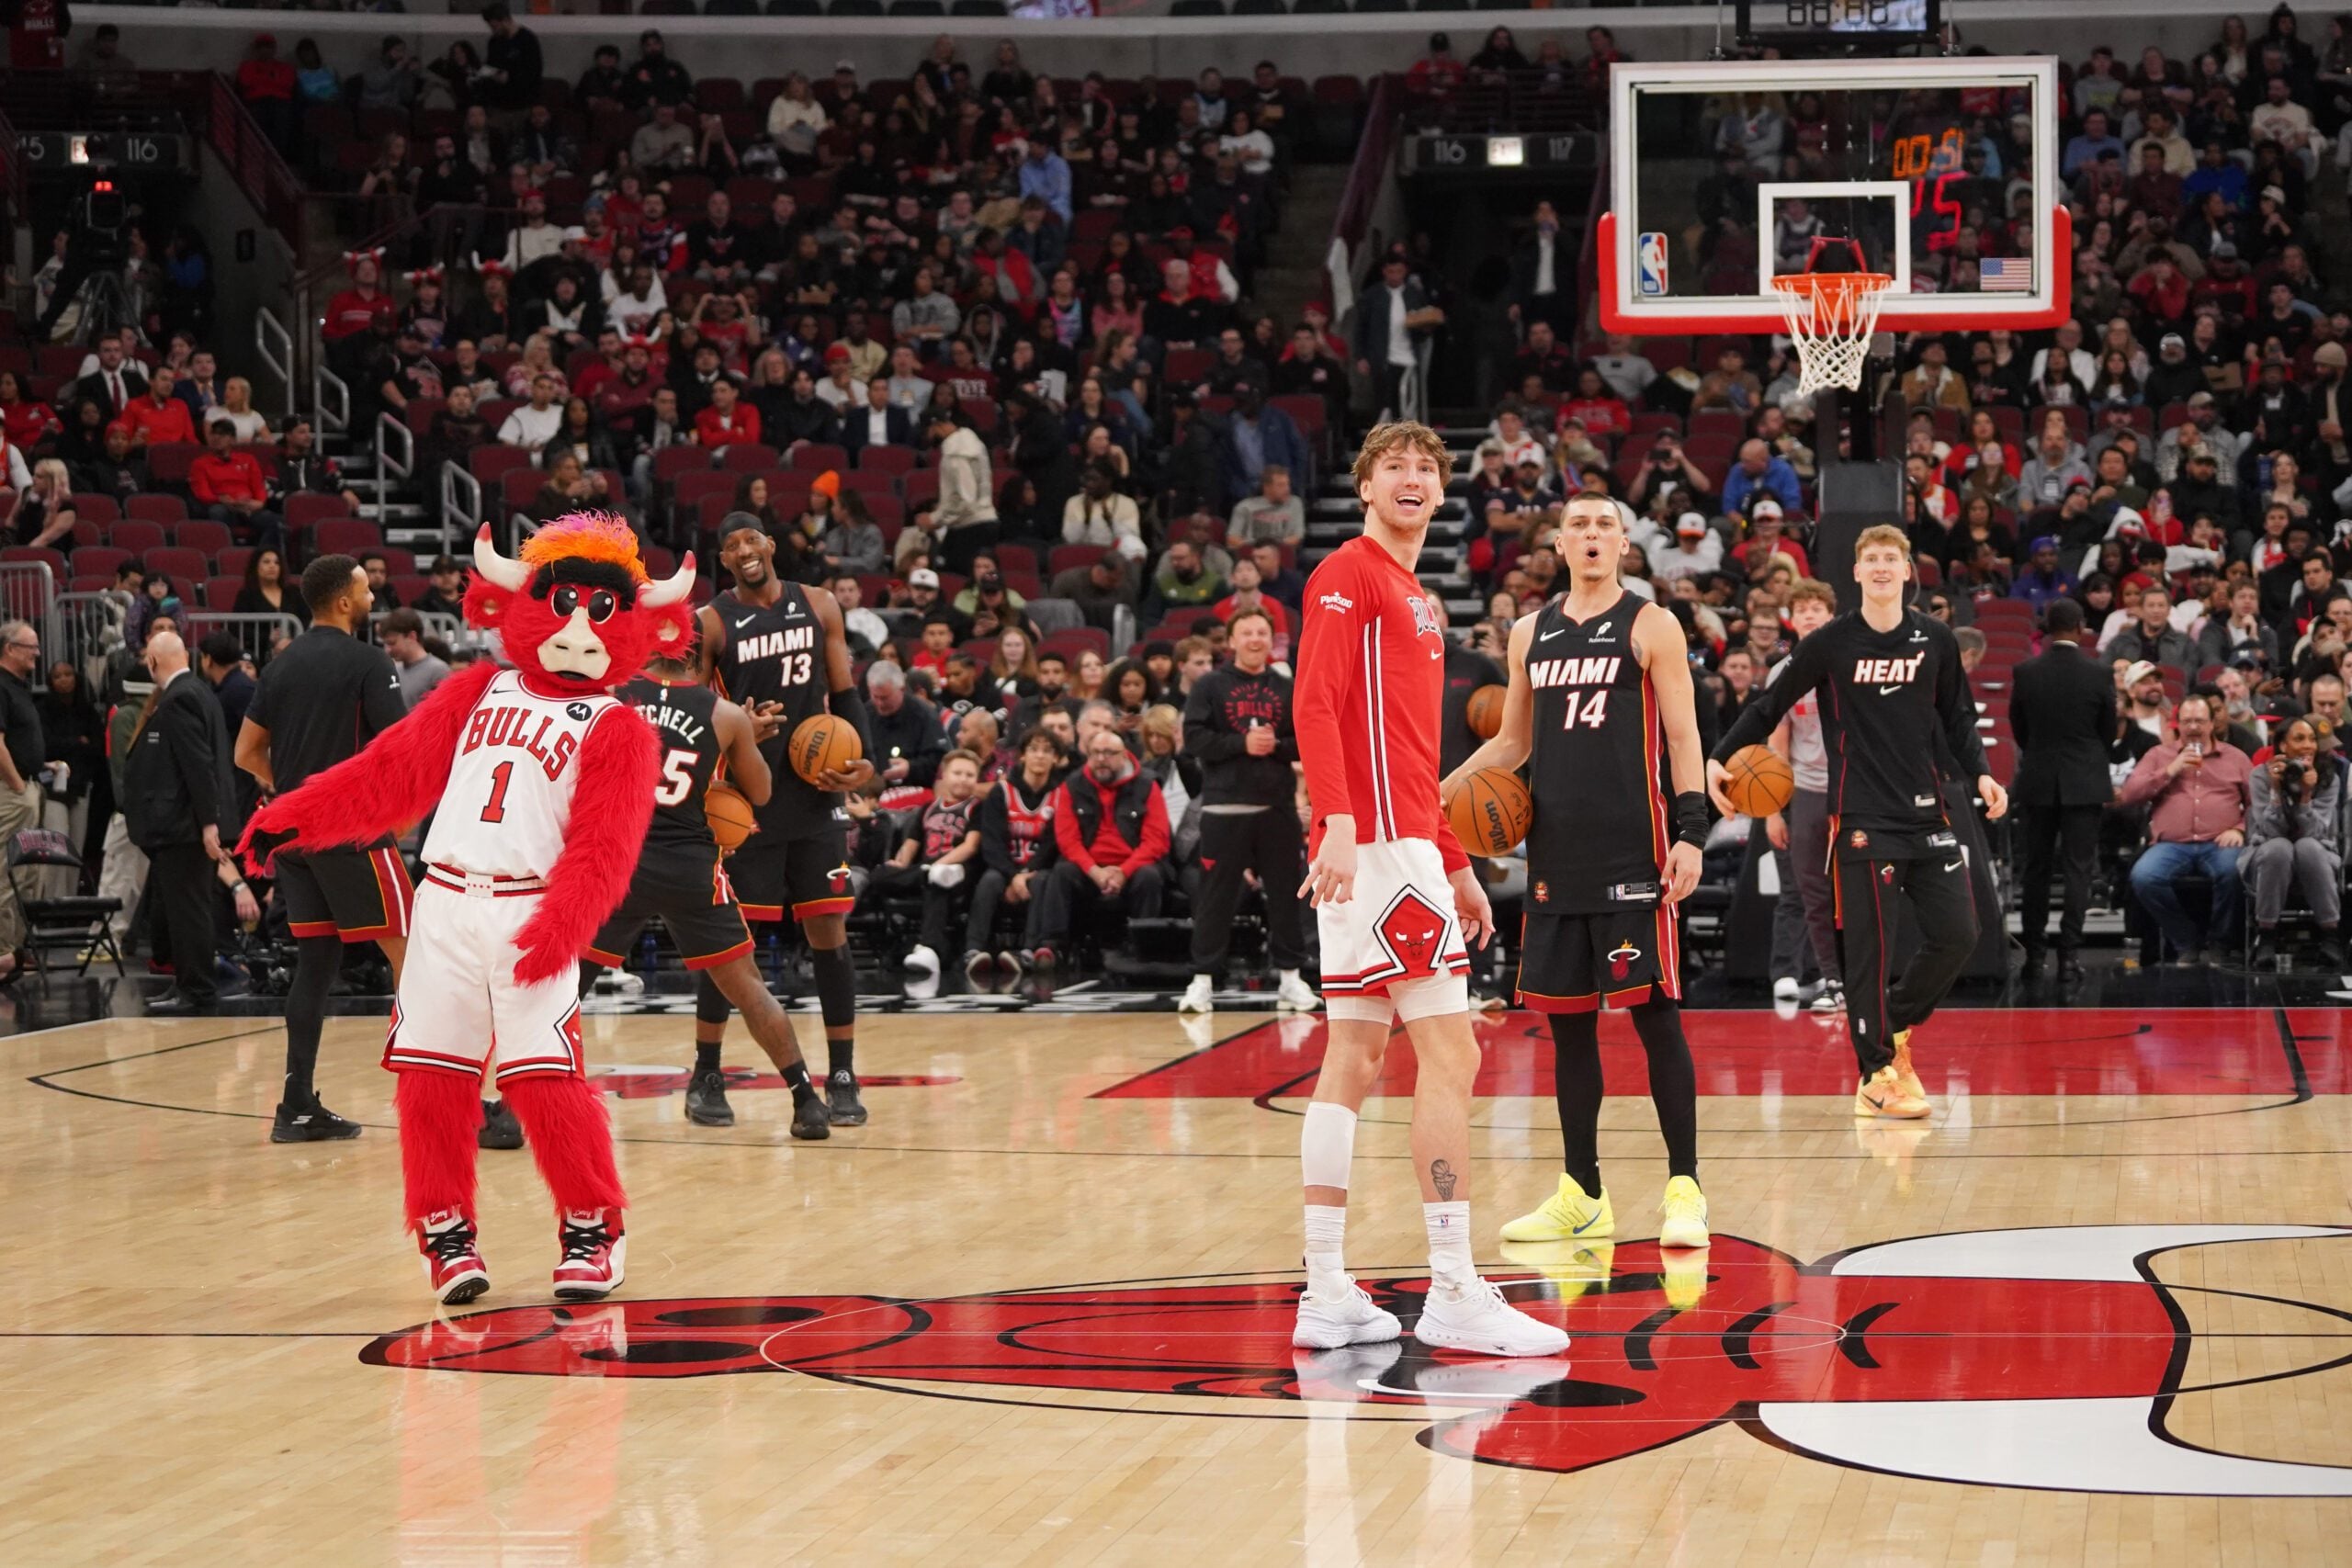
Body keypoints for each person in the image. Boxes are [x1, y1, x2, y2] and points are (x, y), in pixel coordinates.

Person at [1290, 421, 1564, 1359]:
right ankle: (1452, 1286)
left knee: (1355, 1060)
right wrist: (1337, 819)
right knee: (1452, 1058)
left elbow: (1414, 755)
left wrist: (1454, 861)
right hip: (1372, 846)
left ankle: (1326, 1290)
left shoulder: (1416, 596)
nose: (1412, 478)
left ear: (1443, 492)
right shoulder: (1349, 573)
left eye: (1426, 469)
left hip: (1402, 844)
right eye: (1393, 466)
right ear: (1365, 485)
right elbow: (1314, 702)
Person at [1444, 491, 1711, 1253]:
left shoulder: (1652, 623)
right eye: (1579, 526)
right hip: (1555, 857)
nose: (1592, 535)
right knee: (1567, 1029)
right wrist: (1437, 793)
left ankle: (1685, 1186)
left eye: (1605, 525)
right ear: (1558, 543)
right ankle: (1582, 1192)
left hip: (1638, 851)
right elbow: (1511, 742)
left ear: (1624, 542)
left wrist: (1690, 835)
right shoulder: (1530, 632)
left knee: (1656, 1017)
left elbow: (1684, 736)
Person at [1711, 526, 2009, 1122]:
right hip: (1862, 818)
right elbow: (1767, 705)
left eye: (1889, 559)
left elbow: (1956, 720)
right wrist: (1720, 755)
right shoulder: (1829, 642)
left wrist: (1980, 774)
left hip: (1928, 813)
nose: (1879, 566)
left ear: (1906, 571)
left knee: (1960, 933)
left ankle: (1892, 1021)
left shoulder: (1936, 638)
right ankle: (1875, 1073)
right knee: (1869, 953)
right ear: (1857, 572)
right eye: (1869, 558)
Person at [581, 652, 831, 1139]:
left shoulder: (612, 695)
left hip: (620, 861)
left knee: (565, 990)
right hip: (691, 868)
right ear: (700, 661)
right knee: (747, 986)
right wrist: (740, 743)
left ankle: (512, 1107)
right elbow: (759, 793)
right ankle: (806, 1100)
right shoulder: (725, 713)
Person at [235, 557, 425, 1141]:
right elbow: (398, 751)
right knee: (420, 958)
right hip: (351, 833)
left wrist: (295, 793)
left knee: (316, 964)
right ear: (345, 601)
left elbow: (246, 753)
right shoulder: (370, 661)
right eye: (367, 587)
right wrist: (391, 815)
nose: (374, 593)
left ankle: (295, 1106)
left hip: (294, 836)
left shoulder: (281, 663)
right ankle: (448, 1105)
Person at [697, 516, 878, 1125]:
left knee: (831, 935)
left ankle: (844, 1072)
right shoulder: (713, 622)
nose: (745, 552)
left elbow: (846, 693)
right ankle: (706, 1073)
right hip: (746, 800)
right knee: (729, 947)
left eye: (752, 540)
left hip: (814, 795)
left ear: (771, 546)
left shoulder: (820, 604)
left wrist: (865, 762)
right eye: (732, 546)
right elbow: (698, 712)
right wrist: (736, 726)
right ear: (725, 559)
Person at [1177, 607, 1313, 1012]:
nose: (1255, 639)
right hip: (1224, 808)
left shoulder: (1287, 686)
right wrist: (1241, 744)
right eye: (1246, 632)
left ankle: (1291, 978)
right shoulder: (1209, 686)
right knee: (1215, 897)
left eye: (1261, 632)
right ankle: (1202, 980)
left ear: (1272, 641)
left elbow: (1306, 739)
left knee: (1287, 896)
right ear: (1231, 641)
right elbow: (1195, 739)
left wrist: (1276, 747)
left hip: (1276, 807)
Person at [124, 631, 243, 1016]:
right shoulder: (200, 691)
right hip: (191, 825)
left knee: (188, 911)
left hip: (185, 828)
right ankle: (190, 983)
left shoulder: (180, 698)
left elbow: (198, 766)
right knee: (189, 909)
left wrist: (209, 824)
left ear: (153, 662)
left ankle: (196, 989)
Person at [2008, 598, 2120, 982]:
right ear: (2080, 626)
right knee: (2078, 871)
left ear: (2046, 627)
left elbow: (2019, 729)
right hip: (2085, 780)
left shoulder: (2025, 672)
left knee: (2035, 871)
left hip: (2038, 778)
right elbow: (2108, 731)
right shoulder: (2099, 674)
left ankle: (2034, 958)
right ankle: (2070, 957)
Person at [2119, 691, 2253, 964]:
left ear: (2211, 724)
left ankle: (2220, 942)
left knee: (2233, 872)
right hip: (2171, 844)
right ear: (2177, 723)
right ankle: (2185, 940)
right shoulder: (2159, 754)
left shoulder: (2236, 758)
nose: (2193, 727)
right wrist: (2171, 769)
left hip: (2220, 842)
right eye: (2188, 721)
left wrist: (2239, 828)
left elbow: (2258, 805)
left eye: (2200, 721)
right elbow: (2130, 794)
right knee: (2144, 877)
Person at [1762, 579, 1843, 1013]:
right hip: (1807, 789)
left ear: (1830, 614)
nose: (1810, 615)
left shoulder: (1850, 660)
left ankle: (1852, 977)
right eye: (1802, 609)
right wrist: (1773, 812)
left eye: (1817, 607)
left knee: (1857, 889)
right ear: (1790, 620)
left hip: (1854, 789)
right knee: (1809, 890)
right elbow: (1778, 745)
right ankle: (1827, 977)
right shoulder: (1782, 673)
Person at [1035, 728, 1170, 966]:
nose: (1100, 759)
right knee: (1062, 872)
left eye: (1108, 753)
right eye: (1095, 753)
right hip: (1089, 869)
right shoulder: (1072, 786)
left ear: (1124, 755)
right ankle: (1053, 948)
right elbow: (1067, 840)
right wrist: (1094, 870)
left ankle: (1143, 948)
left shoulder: (1148, 786)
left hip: (1132, 867)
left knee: (1149, 876)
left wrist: (1123, 871)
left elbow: (1157, 841)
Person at [2243, 716, 2343, 970]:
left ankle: (2331, 935)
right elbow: (2270, 830)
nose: (2308, 745)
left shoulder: (2329, 778)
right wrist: (2276, 790)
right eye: (2299, 739)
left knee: (2306, 846)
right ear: (2283, 746)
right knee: (2280, 848)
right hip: (2267, 853)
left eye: (2312, 739)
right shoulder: (2260, 776)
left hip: (2317, 853)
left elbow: (2316, 832)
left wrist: (2306, 795)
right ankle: (2266, 936)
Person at [883, 749, 985, 998]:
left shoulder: (977, 808)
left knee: (939, 879)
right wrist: (901, 863)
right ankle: (925, 876)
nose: (963, 779)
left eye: (969, 775)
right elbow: (911, 844)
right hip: (926, 870)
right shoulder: (928, 808)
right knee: (879, 874)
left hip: (959, 870)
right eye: (958, 773)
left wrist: (940, 864)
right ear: (944, 776)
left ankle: (930, 950)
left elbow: (971, 846)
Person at [967, 727, 1062, 984]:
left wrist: (1026, 873)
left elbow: (1054, 844)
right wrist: (1013, 876)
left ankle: (1029, 951)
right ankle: (974, 950)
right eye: (1034, 749)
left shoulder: (1061, 795)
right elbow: (992, 842)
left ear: (1057, 758)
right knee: (989, 881)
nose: (1040, 756)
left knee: (1044, 880)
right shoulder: (1002, 792)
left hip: (1038, 868)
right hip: (1005, 868)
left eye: (1047, 751)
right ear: (1022, 756)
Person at [379, 608, 451, 707]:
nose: (388, 650)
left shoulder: (438, 670)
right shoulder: (394, 670)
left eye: (392, 643)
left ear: (412, 636)